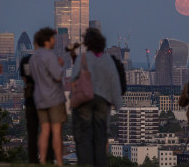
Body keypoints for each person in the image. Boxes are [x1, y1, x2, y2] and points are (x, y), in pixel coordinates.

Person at [71, 28, 121, 167]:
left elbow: (74, 79)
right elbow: (114, 82)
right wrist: (117, 104)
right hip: (102, 102)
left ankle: (85, 163)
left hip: (85, 101)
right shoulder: (108, 60)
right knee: (100, 138)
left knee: (84, 135)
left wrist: (72, 98)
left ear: (87, 43)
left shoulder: (83, 58)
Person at [29, 27, 67, 166]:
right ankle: (59, 162)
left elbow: (32, 77)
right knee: (56, 131)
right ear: (47, 40)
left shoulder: (33, 58)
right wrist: (60, 65)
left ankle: (43, 160)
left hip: (39, 99)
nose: (54, 41)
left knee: (44, 131)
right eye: (52, 38)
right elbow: (57, 76)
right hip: (54, 98)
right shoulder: (49, 55)